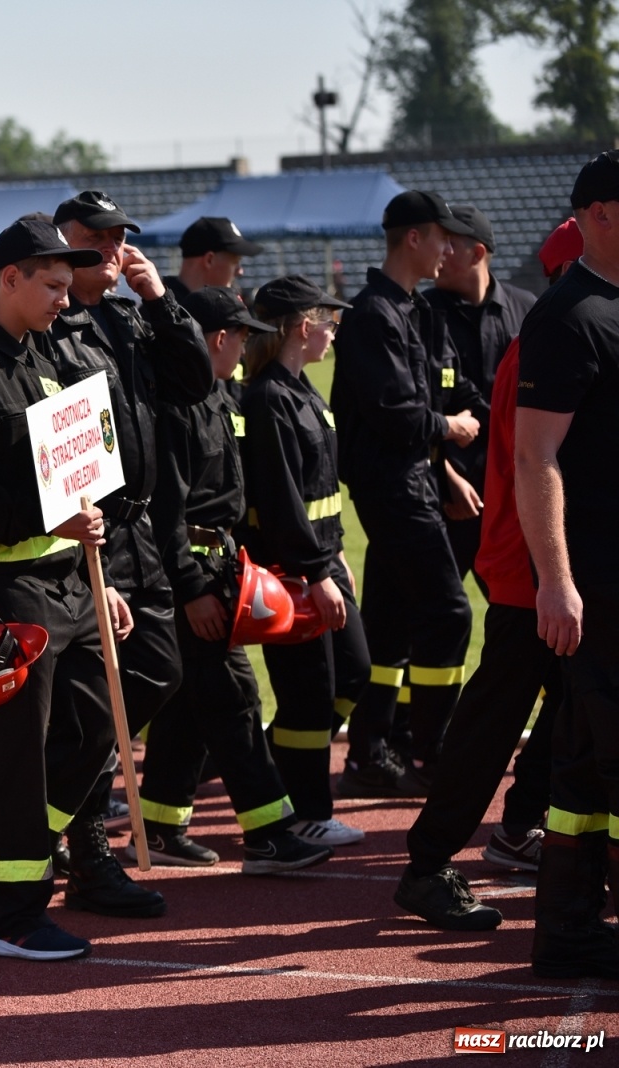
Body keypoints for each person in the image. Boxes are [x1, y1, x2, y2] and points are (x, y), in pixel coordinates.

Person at [0, 215, 120, 960]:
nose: (67, 300)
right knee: (18, 752)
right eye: (54, 286)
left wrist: (94, 557)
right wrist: (51, 518)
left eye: (68, 286)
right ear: (10, 279)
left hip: (66, 578)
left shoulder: (43, 358)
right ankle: (9, 916)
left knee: (96, 725)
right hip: (0, 586)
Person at [394, 219, 580, 931]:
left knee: (567, 708)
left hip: (541, 561)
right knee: (497, 716)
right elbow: (539, 463)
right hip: (533, 564)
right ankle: (430, 860)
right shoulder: (553, 340)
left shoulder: (548, 332)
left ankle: (520, 831)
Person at [49, 191, 210, 912]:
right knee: (95, 698)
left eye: (120, 239)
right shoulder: (53, 329)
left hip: (139, 533)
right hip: (89, 530)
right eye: (98, 237)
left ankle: (42, 811)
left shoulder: (129, 316)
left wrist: (162, 300)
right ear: (65, 243)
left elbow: (194, 381)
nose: (113, 250)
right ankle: (86, 854)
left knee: (157, 673)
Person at [137, 286, 332, 873]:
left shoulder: (223, 397)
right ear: (220, 338)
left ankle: (161, 826)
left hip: (221, 568)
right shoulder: (176, 404)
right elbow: (164, 512)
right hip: (193, 578)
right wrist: (192, 589)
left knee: (187, 704)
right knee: (235, 698)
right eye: (243, 337)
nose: (248, 347)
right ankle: (269, 834)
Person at [331, 190, 480, 795]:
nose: (450, 248)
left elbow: (451, 388)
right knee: (449, 613)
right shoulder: (374, 314)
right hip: (392, 486)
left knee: (390, 625)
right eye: (442, 236)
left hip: (415, 478)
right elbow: (398, 414)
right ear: (413, 238)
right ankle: (431, 749)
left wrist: (456, 443)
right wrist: (450, 428)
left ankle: (371, 752)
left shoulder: (414, 310)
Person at [517, 151, 619, 980]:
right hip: (602, 582)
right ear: (602, 214)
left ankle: (568, 931)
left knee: (584, 763)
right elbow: (534, 458)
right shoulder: (569, 314)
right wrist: (556, 580)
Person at [240, 275, 370, 848]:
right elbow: (282, 501)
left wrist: (335, 556)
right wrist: (317, 573)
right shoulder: (268, 397)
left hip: (323, 562)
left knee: (354, 671)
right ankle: (307, 810)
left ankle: (279, 765)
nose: (333, 331)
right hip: (293, 574)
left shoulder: (302, 389)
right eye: (328, 321)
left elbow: (320, 491)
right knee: (308, 693)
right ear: (300, 326)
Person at [423, 205, 536, 593]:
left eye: (449, 243)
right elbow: (411, 406)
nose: (440, 251)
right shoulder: (421, 313)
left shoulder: (528, 310)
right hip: (449, 495)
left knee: (518, 607)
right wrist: (445, 477)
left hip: (513, 495)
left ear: (477, 253)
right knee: (438, 610)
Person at [164, 217, 265, 301]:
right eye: (235, 261)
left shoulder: (167, 301)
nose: (240, 271)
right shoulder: (160, 307)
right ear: (209, 260)